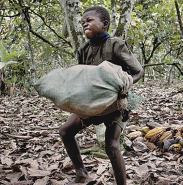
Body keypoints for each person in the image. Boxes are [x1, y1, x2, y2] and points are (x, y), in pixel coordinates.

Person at [59, 6, 144, 185]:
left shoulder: (115, 44)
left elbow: (139, 71)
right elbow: (83, 75)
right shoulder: (83, 50)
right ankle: (82, 174)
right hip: (92, 103)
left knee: (111, 146)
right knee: (66, 131)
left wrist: (125, 83)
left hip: (116, 104)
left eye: (89, 20)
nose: (84, 24)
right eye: (82, 22)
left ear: (104, 24)